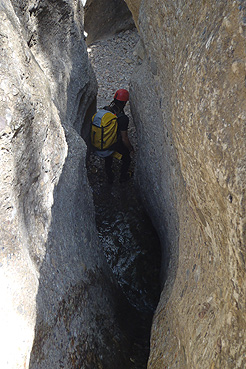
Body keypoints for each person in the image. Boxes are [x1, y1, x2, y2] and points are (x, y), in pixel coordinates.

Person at [102, 89, 134, 183]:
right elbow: (124, 138)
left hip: (105, 140)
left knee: (108, 157)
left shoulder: (106, 110)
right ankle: (123, 177)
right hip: (115, 143)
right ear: (124, 102)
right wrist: (130, 148)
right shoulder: (123, 118)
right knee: (127, 158)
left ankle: (109, 176)